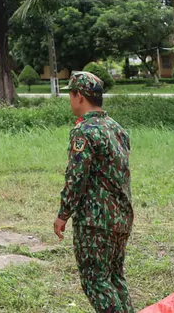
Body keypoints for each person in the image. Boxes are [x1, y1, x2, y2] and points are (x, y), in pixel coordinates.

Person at [54, 71, 134, 313]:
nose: (70, 100)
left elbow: (76, 178)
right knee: (115, 277)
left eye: (71, 94)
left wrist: (63, 214)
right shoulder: (116, 128)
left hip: (95, 220)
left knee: (96, 281)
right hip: (121, 216)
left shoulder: (84, 132)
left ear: (79, 96)